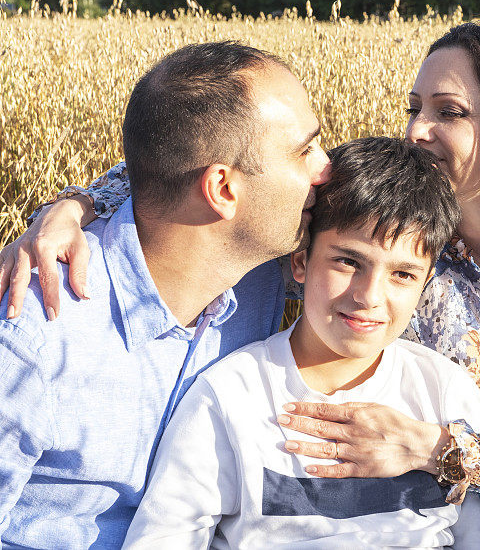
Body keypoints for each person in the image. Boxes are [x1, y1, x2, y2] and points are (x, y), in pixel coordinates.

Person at [1, 17, 480, 549]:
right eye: (414, 106)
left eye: (447, 111)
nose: (415, 130)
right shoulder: (391, 235)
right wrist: (79, 204)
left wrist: (434, 448)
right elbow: (209, 162)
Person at [0, 41, 330, 548]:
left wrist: (76, 200)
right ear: (222, 190)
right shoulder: (35, 331)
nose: (325, 168)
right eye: (304, 149)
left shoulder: (276, 275)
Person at [121, 136, 480, 548]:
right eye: (348, 261)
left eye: (403, 274)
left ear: (425, 283)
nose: (369, 297)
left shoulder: (445, 392)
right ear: (301, 261)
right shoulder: (229, 397)